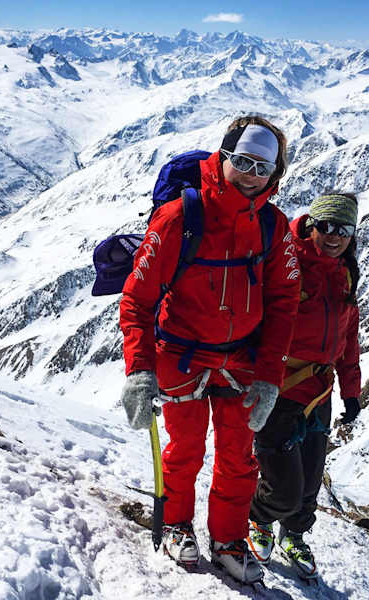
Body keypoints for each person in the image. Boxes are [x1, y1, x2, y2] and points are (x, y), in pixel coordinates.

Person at [119, 116, 300, 584]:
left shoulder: (273, 227)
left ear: (275, 176)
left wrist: (270, 376)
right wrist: (139, 371)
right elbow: (138, 298)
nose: (251, 176)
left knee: (240, 457)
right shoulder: (181, 217)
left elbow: (284, 304)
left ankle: (228, 538)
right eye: (243, 162)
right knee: (185, 450)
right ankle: (178, 524)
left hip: (242, 361)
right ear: (222, 159)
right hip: (181, 355)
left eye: (263, 168)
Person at [245, 191, 362, 580]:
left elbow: (347, 341)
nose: (334, 236)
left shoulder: (344, 273)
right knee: (285, 486)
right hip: (279, 389)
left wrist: (351, 391)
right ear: (312, 224)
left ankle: (293, 533)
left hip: (320, 392)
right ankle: (257, 517)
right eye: (326, 226)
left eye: (344, 230)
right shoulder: (288, 261)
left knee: (311, 479)